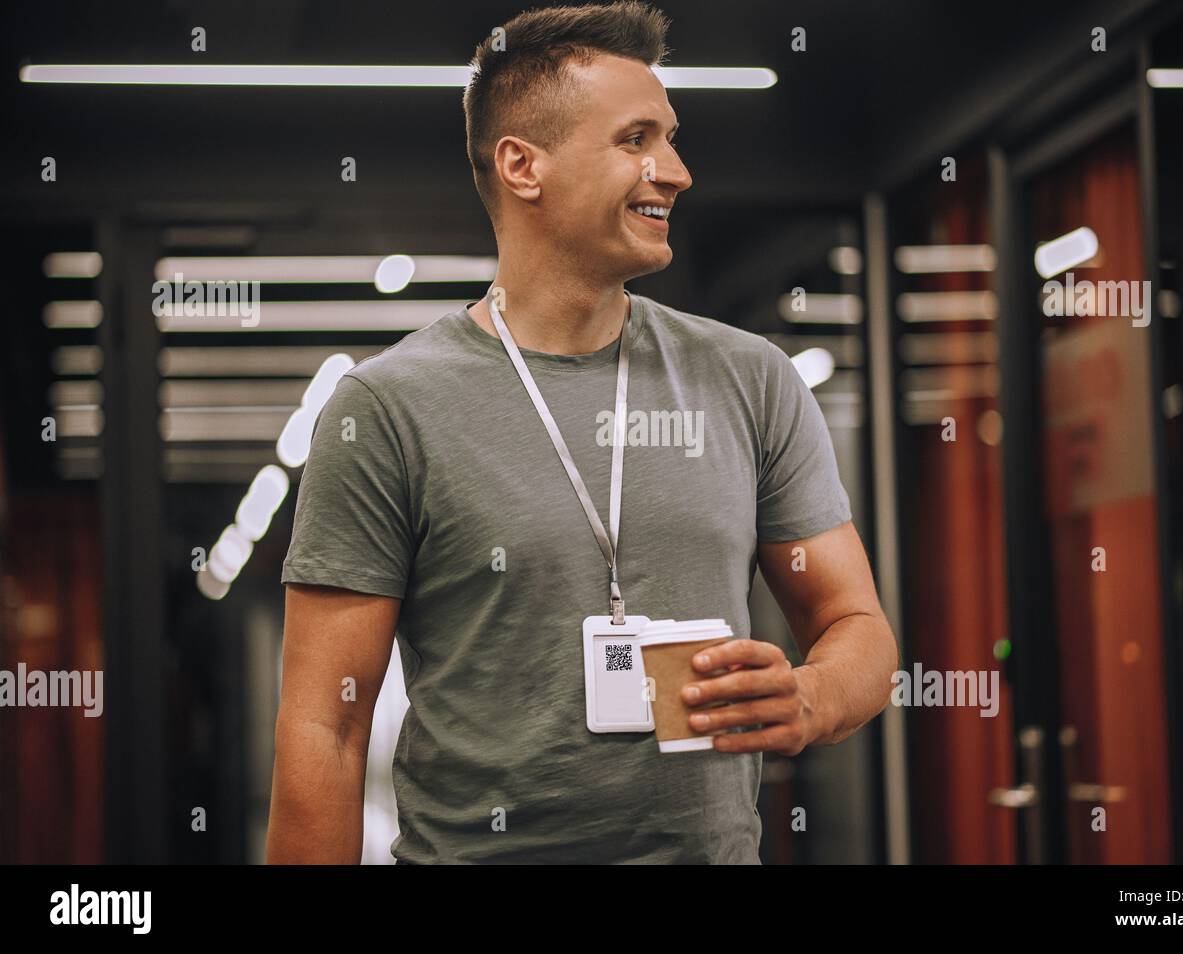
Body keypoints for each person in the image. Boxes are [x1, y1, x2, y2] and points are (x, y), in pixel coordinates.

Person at [267, 0, 898, 865]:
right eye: (637, 139)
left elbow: (858, 627)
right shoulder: (387, 409)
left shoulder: (750, 379)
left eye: (671, 138)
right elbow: (324, 728)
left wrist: (811, 697)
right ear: (523, 165)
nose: (674, 170)